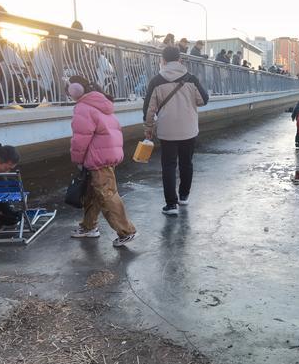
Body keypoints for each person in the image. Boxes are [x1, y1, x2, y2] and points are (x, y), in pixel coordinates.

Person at [68, 76, 136, 247]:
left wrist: (77, 159)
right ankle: (89, 226)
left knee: (107, 195)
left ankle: (126, 231)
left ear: (75, 90)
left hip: (97, 158)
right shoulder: (101, 104)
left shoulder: (83, 107)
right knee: (92, 194)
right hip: (105, 156)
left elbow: (80, 139)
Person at [143, 46, 209, 215]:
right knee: (186, 163)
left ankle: (171, 205)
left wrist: (148, 127)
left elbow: (149, 109)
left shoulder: (156, 80)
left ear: (163, 60)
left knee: (169, 166)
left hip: (167, 130)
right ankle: (184, 196)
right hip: (189, 129)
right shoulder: (191, 78)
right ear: (180, 60)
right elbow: (203, 100)